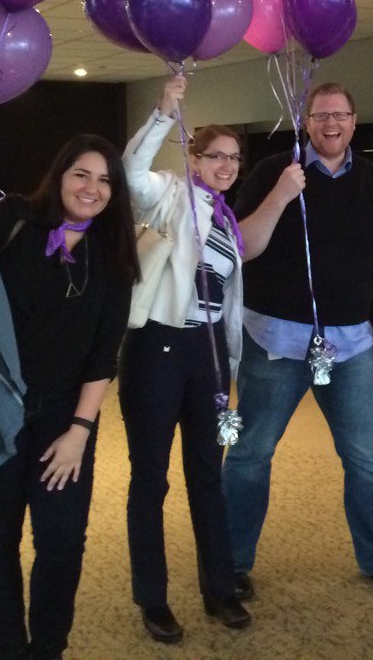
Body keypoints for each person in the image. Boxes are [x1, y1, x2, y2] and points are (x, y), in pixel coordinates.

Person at [0, 136, 137, 660]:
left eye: (105, 180)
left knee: (62, 542)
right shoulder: (13, 221)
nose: (91, 189)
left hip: (64, 419)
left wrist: (80, 432)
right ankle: (10, 651)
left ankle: (47, 650)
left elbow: (103, 355)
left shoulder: (114, 251)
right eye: (81, 174)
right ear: (59, 174)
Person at [221, 82, 373, 598]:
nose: (331, 124)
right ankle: (230, 563)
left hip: (350, 346)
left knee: (367, 457)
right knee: (250, 454)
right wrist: (283, 195)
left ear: (354, 120)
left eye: (341, 115)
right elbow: (243, 246)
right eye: (321, 115)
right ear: (305, 122)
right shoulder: (272, 172)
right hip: (275, 342)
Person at [119, 75, 250, 643]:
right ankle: (153, 600)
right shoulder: (169, 193)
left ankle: (219, 588)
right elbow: (128, 173)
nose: (226, 164)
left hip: (209, 354)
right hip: (159, 348)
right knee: (151, 479)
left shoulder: (226, 218)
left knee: (206, 475)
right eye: (215, 155)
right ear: (194, 158)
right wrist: (164, 112)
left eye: (234, 157)